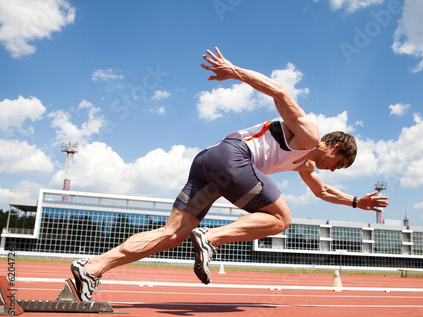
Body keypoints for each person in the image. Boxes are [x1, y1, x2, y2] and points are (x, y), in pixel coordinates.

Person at [71, 47, 389, 301]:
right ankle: (210, 238)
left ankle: (92, 267)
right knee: (281, 218)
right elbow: (280, 93)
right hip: (233, 156)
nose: (334, 170)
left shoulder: (304, 163)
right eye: (340, 164)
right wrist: (233, 70)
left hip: (208, 163)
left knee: (172, 234)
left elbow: (321, 192)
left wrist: (356, 202)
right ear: (334, 147)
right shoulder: (308, 135)